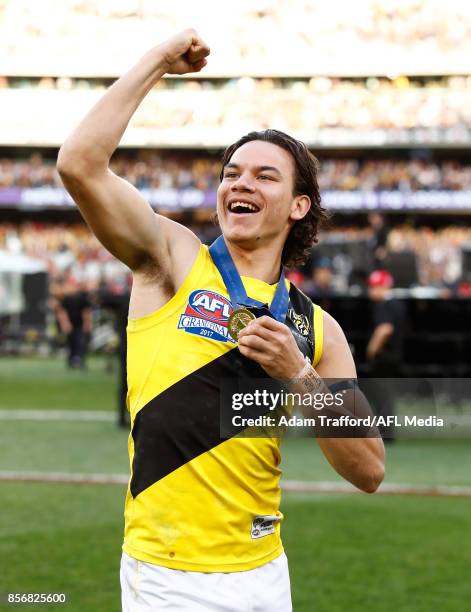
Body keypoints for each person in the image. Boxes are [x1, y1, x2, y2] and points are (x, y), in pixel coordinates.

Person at [57, 29, 385, 612]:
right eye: (232, 172)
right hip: (170, 574)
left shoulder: (317, 327)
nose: (240, 182)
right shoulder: (173, 259)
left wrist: (298, 377)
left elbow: (369, 469)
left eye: (264, 176)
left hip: (264, 571)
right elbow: (80, 164)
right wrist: (158, 61)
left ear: (298, 205)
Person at [365, 270, 406, 441]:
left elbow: (385, 329)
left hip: (385, 357)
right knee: (386, 395)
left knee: (381, 395)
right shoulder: (398, 304)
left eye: (375, 287)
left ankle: (384, 433)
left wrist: (371, 349)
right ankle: (386, 432)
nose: (371, 291)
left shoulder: (384, 305)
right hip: (395, 356)